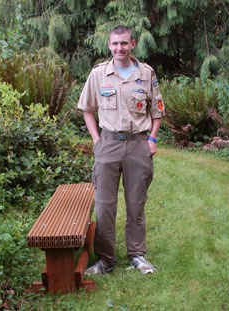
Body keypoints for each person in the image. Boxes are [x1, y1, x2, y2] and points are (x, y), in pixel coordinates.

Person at [77, 25, 165, 275]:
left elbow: (157, 111)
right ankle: (105, 260)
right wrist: (97, 139)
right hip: (108, 143)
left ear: (133, 44)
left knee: (136, 203)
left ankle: (137, 255)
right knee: (104, 205)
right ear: (109, 45)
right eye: (115, 44)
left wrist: (152, 139)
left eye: (124, 43)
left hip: (138, 145)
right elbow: (87, 109)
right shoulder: (99, 74)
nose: (119, 48)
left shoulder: (146, 74)